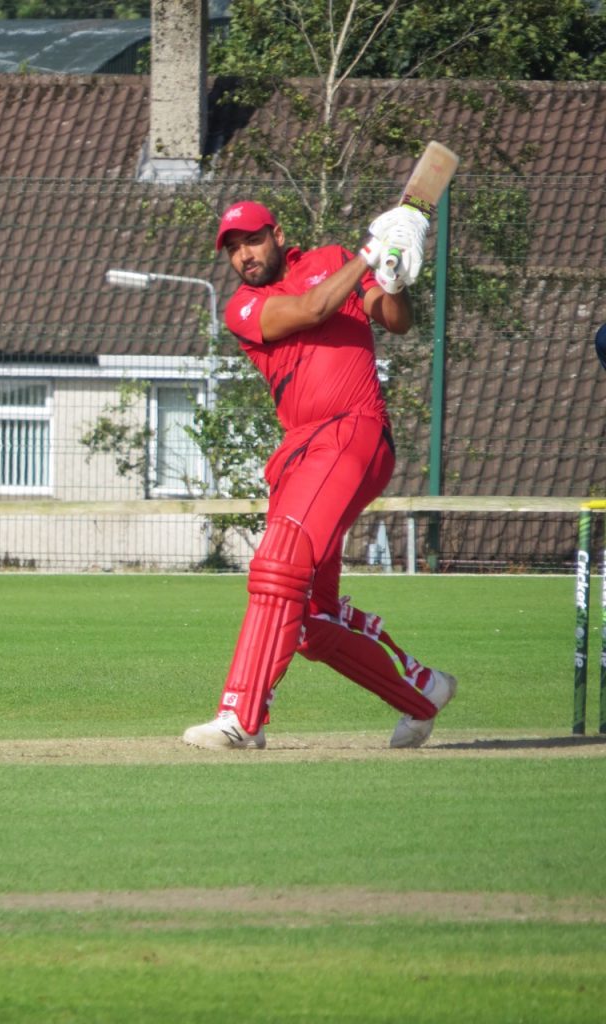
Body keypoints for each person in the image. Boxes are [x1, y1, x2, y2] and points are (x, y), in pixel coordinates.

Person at [182, 199, 457, 751]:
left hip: (351, 432)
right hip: (302, 454)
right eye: (233, 249)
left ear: (278, 235)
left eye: (252, 241)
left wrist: (394, 274)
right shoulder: (243, 307)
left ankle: (240, 716)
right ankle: (423, 691)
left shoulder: (334, 259)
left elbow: (397, 321)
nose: (244, 256)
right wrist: (371, 253)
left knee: (278, 562)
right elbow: (309, 310)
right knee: (308, 618)